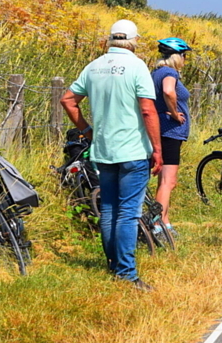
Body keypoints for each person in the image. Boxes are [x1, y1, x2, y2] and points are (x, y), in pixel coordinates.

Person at [61, 19, 162, 291]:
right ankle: (127, 273)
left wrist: (87, 130)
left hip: (103, 150)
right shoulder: (137, 66)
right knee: (128, 213)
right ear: (133, 40)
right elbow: (148, 110)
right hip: (133, 149)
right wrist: (158, 149)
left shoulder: (94, 66)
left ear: (110, 39)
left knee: (109, 209)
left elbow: (67, 100)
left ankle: (113, 265)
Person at [151, 37, 193, 238]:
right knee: (169, 181)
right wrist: (175, 113)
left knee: (164, 181)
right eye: (184, 56)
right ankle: (156, 223)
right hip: (169, 131)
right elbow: (169, 92)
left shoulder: (155, 73)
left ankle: (164, 220)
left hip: (162, 129)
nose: (185, 60)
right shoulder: (169, 73)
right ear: (177, 56)